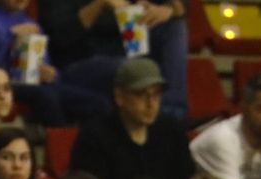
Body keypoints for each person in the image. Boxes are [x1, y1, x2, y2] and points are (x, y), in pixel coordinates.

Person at [67, 56, 194, 179]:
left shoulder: (172, 130)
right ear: (119, 96)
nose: (151, 103)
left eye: (156, 94)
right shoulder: (94, 136)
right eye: (141, 94)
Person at [44, 0, 188, 122]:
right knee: (130, 68)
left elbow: (183, 5)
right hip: (78, 62)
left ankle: (171, 111)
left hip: (127, 52)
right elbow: (60, 37)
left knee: (175, 27)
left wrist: (168, 9)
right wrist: (100, 4)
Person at [0, 6, 105, 128]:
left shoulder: (31, 23)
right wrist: (10, 36)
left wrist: (51, 73)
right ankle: (60, 145)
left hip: (37, 83)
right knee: (46, 96)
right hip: (9, 83)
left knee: (98, 102)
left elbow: (45, 62)